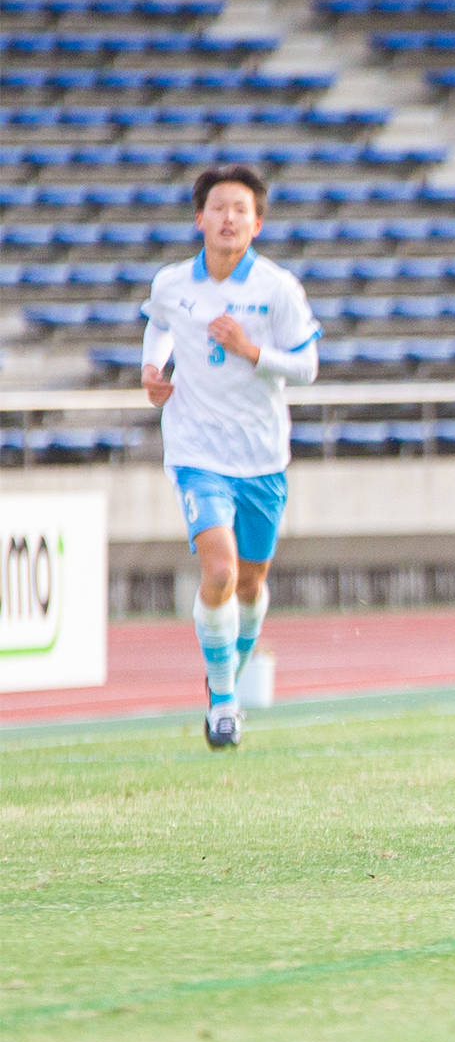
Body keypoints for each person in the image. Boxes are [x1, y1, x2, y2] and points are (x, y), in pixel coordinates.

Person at [140, 164, 321, 749]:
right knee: (218, 569)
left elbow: (307, 366)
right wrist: (153, 370)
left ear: (257, 223)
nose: (228, 218)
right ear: (200, 217)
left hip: (262, 455)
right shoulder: (173, 283)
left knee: (250, 581)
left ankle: (232, 679)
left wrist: (250, 350)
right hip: (196, 448)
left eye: (240, 209)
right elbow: (159, 326)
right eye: (218, 207)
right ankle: (222, 698)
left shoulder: (277, 289)